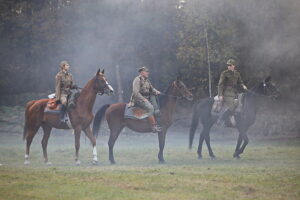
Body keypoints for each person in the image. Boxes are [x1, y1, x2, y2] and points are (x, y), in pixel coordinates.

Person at [130, 66, 162, 132]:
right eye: (146, 71)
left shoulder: (147, 80)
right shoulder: (137, 79)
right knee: (150, 108)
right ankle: (154, 126)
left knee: (156, 105)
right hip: (138, 99)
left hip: (147, 97)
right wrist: (143, 99)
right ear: (141, 72)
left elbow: (151, 89)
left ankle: (158, 121)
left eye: (148, 71)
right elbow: (135, 92)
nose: (148, 73)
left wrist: (156, 91)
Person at [217, 59, 247, 126]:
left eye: (230, 65)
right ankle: (221, 119)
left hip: (235, 92)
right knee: (232, 106)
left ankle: (239, 121)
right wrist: (220, 95)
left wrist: (243, 85)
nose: (229, 66)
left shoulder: (237, 74)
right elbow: (220, 84)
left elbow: (240, 82)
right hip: (226, 93)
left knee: (241, 104)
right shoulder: (224, 73)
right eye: (228, 65)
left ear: (234, 66)